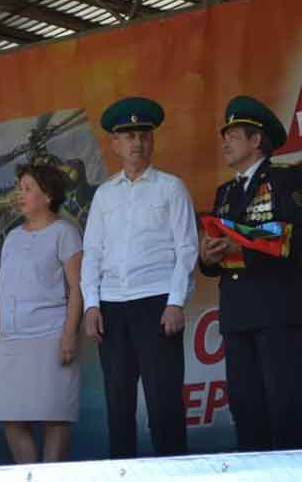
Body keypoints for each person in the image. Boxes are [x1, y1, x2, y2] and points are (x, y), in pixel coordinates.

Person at [81, 97, 198, 458]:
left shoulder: (171, 187)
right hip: (113, 307)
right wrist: (91, 305)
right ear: (114, 144)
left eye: (143, 134)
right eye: (128, 135)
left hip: (157, 302)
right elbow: (93, 253)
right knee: (118, 404)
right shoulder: (103, 194)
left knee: (164, 402)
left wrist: (176, 302)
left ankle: (174, 472)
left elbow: (187, 249)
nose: (137, 142)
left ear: (153, 140)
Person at [199, 95, 302, 451]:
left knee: (286, 408)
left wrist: (240, 246)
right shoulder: (224, 192)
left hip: (278, 312)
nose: (224, 142)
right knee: (247, 409)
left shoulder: (286, 180)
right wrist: (208, 255)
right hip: (238, 314)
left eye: (233, 135)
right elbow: (216, 256)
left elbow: (294, 236)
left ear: (256, 140)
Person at [0, 164, 83, 463]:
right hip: (12, 340)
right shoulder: (12, 237)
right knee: (13, 421)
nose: (20, 194)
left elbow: (78, 289)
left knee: (55, 417)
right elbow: (1, 292)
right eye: (20, 188)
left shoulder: (65, 232)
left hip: (50, 336)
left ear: (49, 195)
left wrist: (69, 334)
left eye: (28, 188)